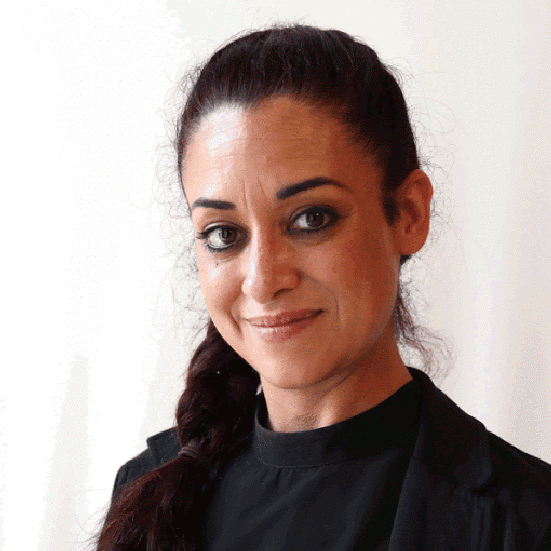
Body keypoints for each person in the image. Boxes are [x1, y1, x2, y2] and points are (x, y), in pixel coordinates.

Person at [96, 23, 551, 551]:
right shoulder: (146, 492)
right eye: (224, 234)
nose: (263, 280)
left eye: (311, 218)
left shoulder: (527, 521)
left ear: (409, 214)